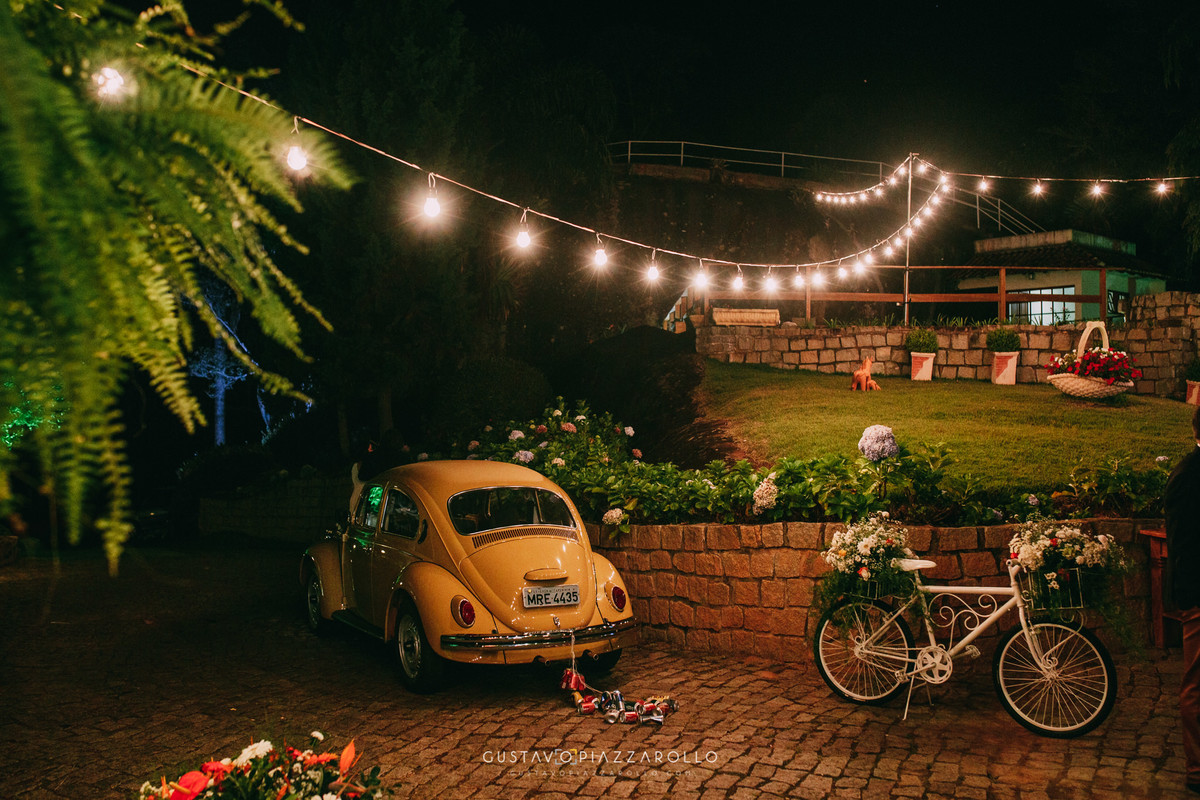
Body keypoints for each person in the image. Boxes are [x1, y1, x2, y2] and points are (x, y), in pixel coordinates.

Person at [1166, 404, 1200, 794]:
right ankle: (1197, 770)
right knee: (1198, 684)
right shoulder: (1188, 476)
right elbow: (1185, 544)